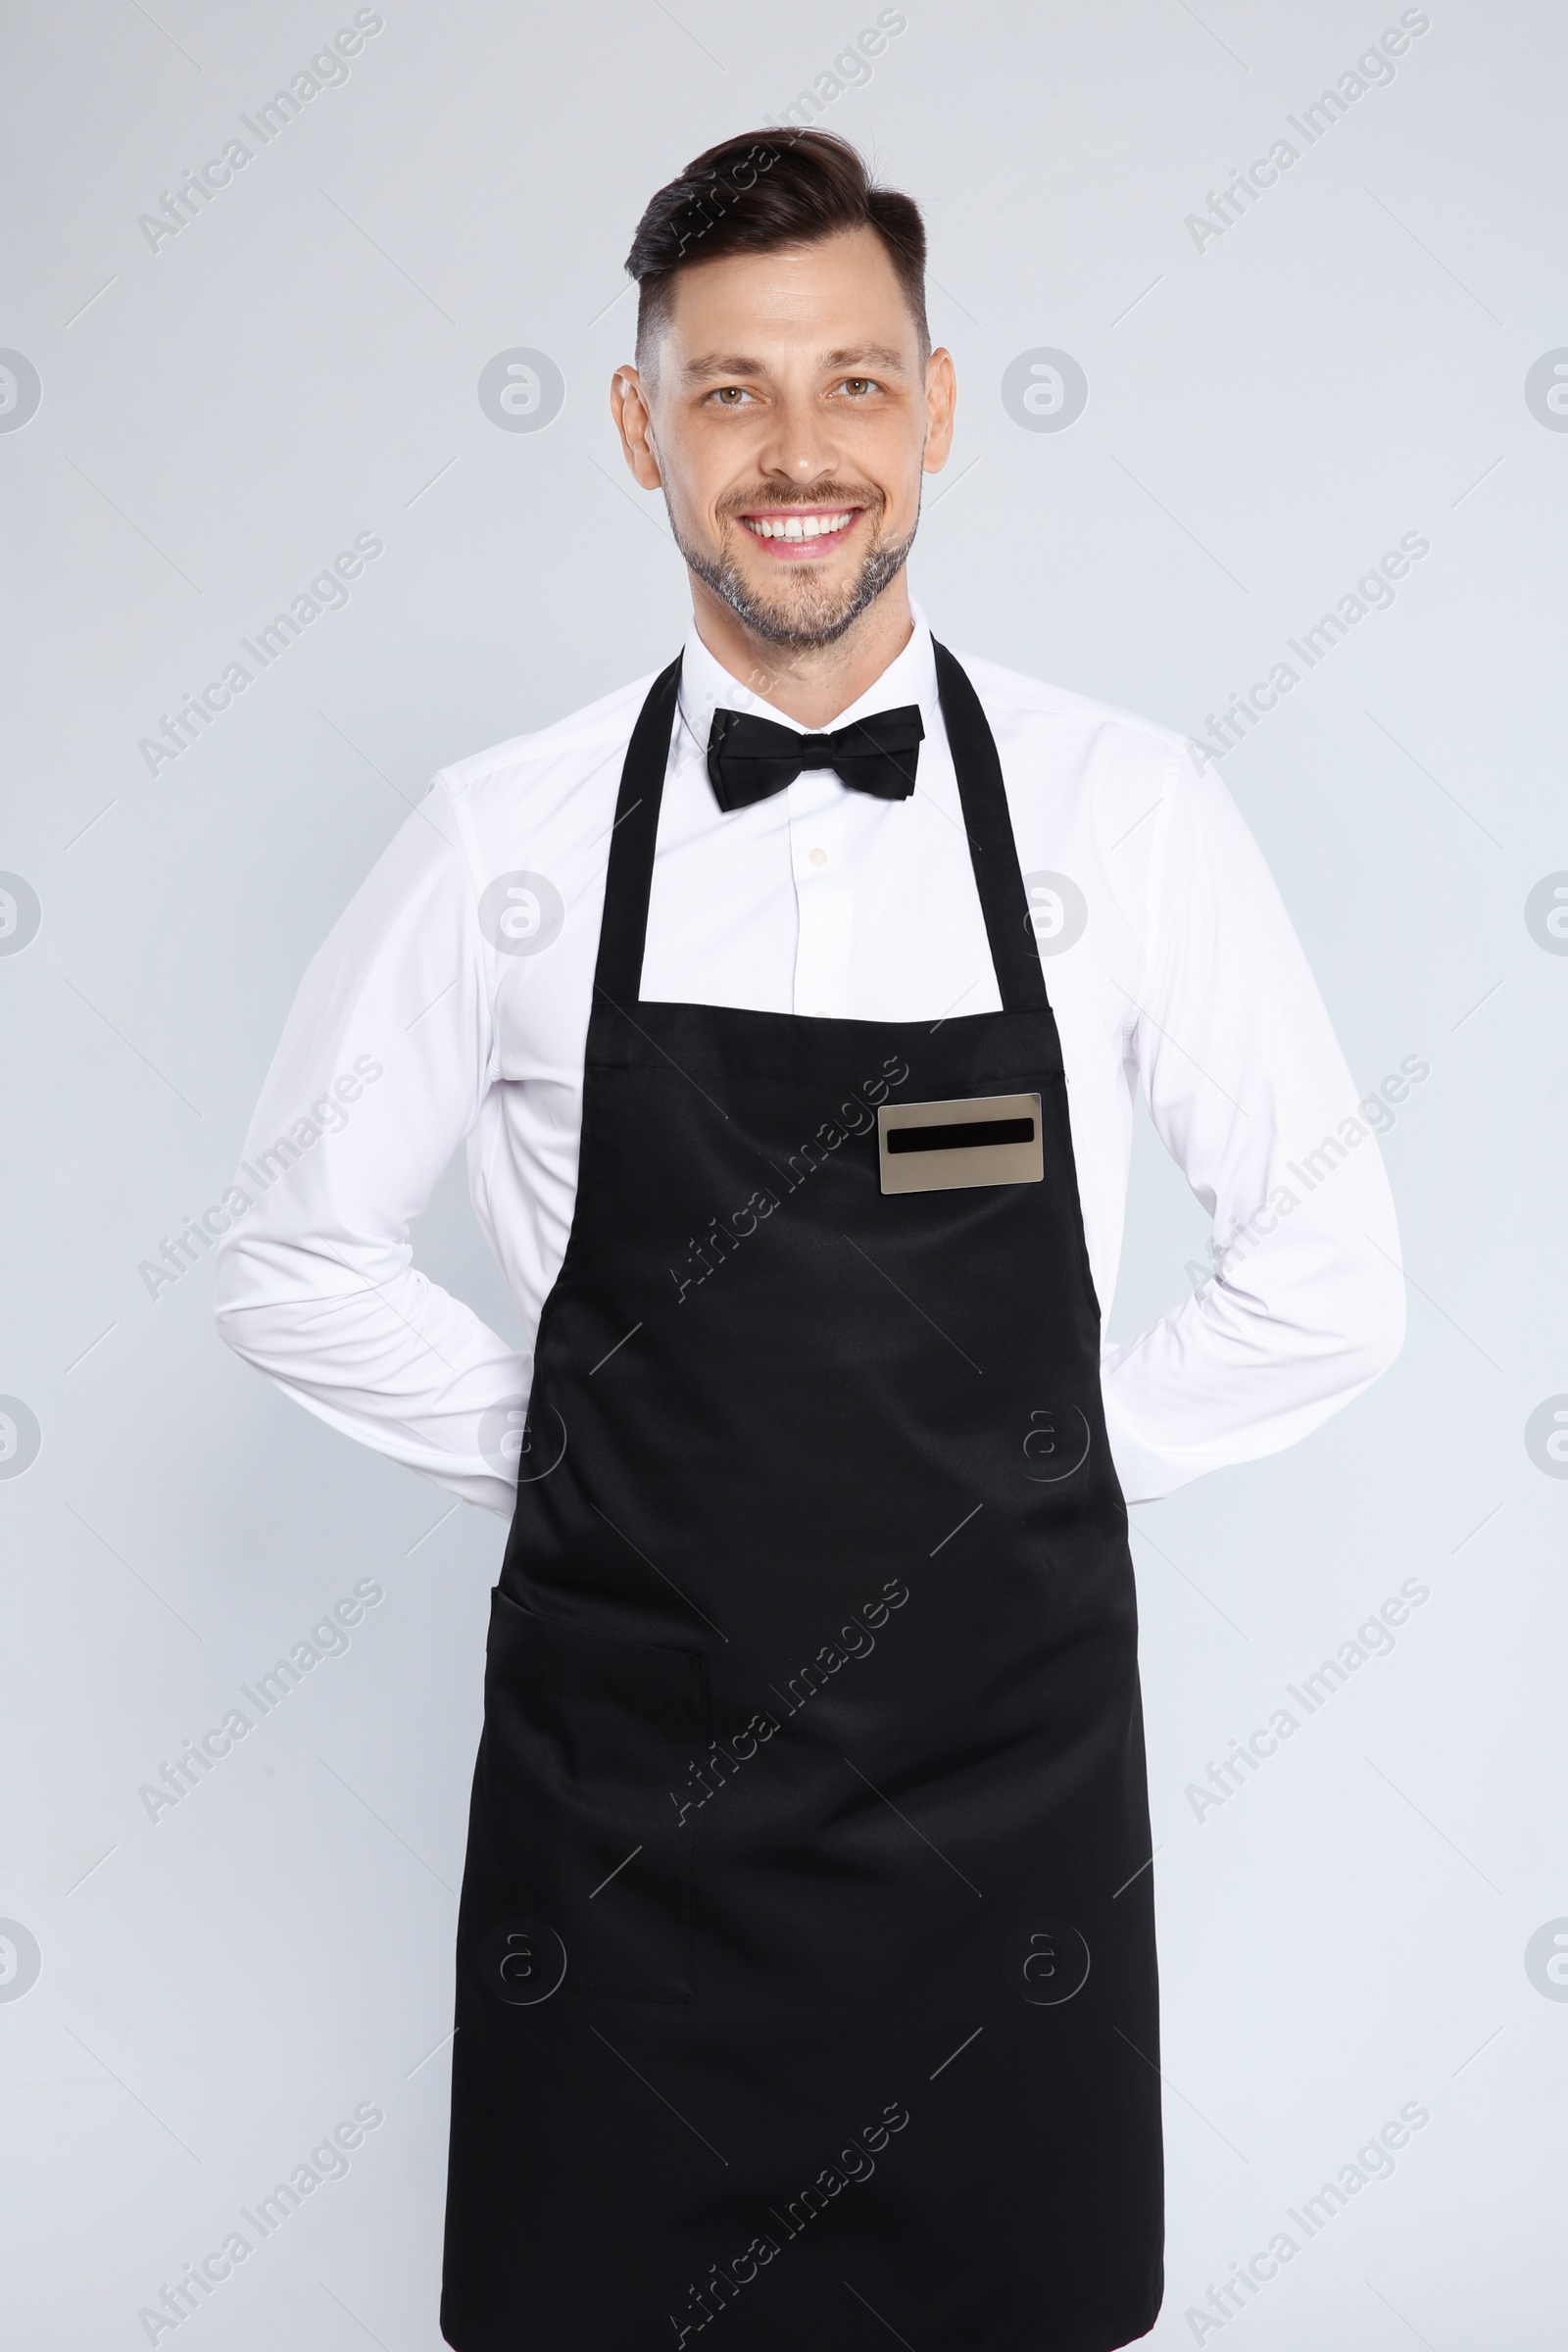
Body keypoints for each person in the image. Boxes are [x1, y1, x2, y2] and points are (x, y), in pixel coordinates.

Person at [215, 128, 1403, 2352]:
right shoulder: (508, 834)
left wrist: (1031, 1474)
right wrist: (586, 1453)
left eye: (851, 384)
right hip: (629, 1832)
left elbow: (1330, 1278)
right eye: (730, 388)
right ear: (638, 425)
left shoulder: (1123, 813)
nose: (793, 454)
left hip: (1001, 1811)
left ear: (935, 412)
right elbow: (288, 1249)